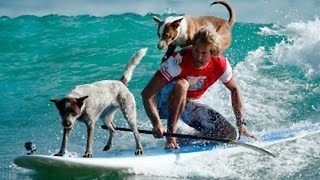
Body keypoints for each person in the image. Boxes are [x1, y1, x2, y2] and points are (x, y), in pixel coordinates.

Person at [141, 26, 258, 149]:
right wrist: (156, 123)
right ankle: (171, 137)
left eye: (204, 53)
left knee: (228, 134)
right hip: (163, 104)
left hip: (187, 105)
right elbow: (147, 94)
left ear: (213, 53)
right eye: (196, 50)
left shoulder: (221, 65)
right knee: (182, 84)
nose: (198, 57)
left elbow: (235, 89)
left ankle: (183, 137)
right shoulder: (176, 62)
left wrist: (241, 124)